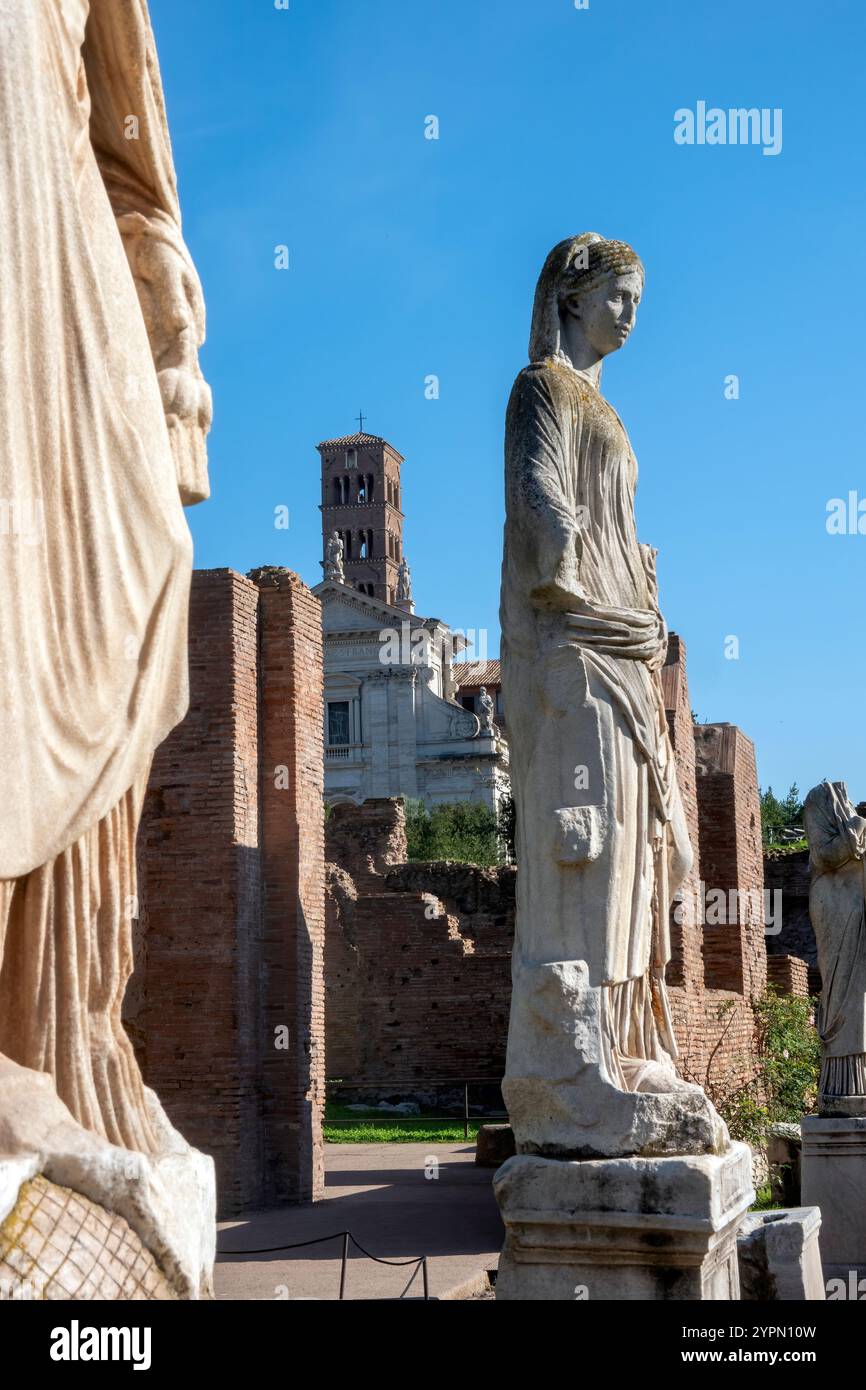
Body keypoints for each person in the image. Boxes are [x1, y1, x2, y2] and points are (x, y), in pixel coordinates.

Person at [0, 0, 211, 1155]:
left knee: (151, 562)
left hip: (55, 219)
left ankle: (64, 1022)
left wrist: (159, 258)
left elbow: (130, 125)